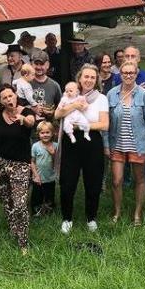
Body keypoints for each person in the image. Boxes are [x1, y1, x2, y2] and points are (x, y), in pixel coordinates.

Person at [56, 64, 109, 234]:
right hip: (71, 143)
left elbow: (104, 124)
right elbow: (57, 115)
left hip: (92, 141)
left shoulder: (101, 98)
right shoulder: (69, 94)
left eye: (93, 77)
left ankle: (91, 218)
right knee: (67, 182)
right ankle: (67, 219)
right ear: (80, 78)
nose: (89, 80)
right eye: (86, 76)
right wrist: (74, 106)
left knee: (93, 182)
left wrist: (82, 125)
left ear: (96, 80)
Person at [104, 61, 145, 225]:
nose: (128, 75)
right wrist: (105, 144)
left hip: (138, 144)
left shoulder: (143, 95)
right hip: (116, 143)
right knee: (116, 180)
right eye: (125, 72)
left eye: (131, 72)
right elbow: (106, 123)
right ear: (120, 74)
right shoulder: (111, 94)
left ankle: (137, 214)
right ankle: (117, 212)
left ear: (136, 74)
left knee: (139, 179)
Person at [0, 84, 35, 254]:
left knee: (20, 203)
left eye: (11, 95)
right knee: (6, 201)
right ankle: (13, 228)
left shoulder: (27, 111)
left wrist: (22, 119)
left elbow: (31, 123)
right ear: (0, 101)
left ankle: (23, 242)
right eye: (4, 97)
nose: (9, 99)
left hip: (20, 164)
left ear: (16, 95)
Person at [30, 121, 58, 216]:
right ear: (38, 134)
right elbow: (32, 162)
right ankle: (36, 212)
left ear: (52, 133)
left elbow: (57, 163)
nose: (45, 135)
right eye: (42, 133)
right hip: (38, 177)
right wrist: (35, 175)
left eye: (47, 132)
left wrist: (53, 154)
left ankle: (48, 211)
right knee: (37, 196)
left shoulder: (56, 146)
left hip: (50, 177)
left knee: (49, 195)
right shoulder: (35, 146)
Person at [30, 50, 62, 123]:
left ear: (47, 65)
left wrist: (52, 113)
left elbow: (60, 108)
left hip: (48, 129)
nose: (38, 67)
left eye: (41, 64)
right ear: (31, 64)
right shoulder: (25, 83)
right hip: (29, 130)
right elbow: (19, 105)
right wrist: (32, 108)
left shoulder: (55, 85)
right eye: (36, 64)